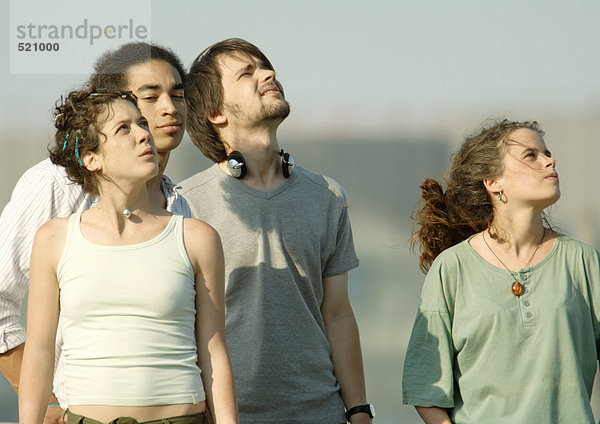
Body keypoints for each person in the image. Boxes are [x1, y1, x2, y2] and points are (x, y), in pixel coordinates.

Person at [180, 38, 373, 424]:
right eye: (246, 73)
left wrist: (359, 411)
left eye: (266, 67)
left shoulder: (328, 196)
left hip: (321, 413)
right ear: (216, 113)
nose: (268, 74)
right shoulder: (186, 206)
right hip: (227, 416)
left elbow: (337, 314)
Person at [19, 87, 238, 424]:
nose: (143, 134)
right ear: (91, 158)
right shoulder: (54, 239)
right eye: (124, 128)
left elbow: (214, 353)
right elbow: (39, 353)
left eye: (141, 124)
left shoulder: (197, 237)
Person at [0, 42, 189, 423]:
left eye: (179, 95)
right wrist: (47, 403)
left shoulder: (178, 206)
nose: (170, 108)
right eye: (150, 97)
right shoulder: (55, 184)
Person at [402, 119, 600, 423]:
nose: (550, 160)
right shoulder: (452, 267)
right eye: (531, 155)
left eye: (546, 153)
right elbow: (425, 385)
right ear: (493, 182)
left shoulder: (584, 261)